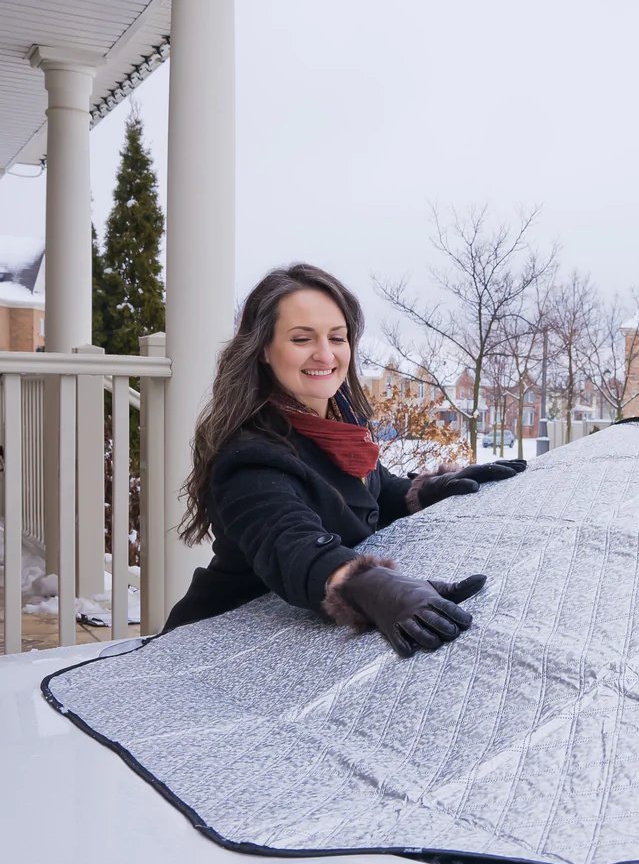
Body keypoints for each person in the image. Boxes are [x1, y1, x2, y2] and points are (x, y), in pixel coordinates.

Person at [166, 262, 524, 657]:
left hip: (294, 645)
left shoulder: (339, 425)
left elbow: (372, 495)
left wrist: (428, 489)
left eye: (337, 337)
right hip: (223, 641)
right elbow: (292, 545)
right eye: (302, 338)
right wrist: (373, 585)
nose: (325, 354)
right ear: (264, 349)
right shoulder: (250, 456)